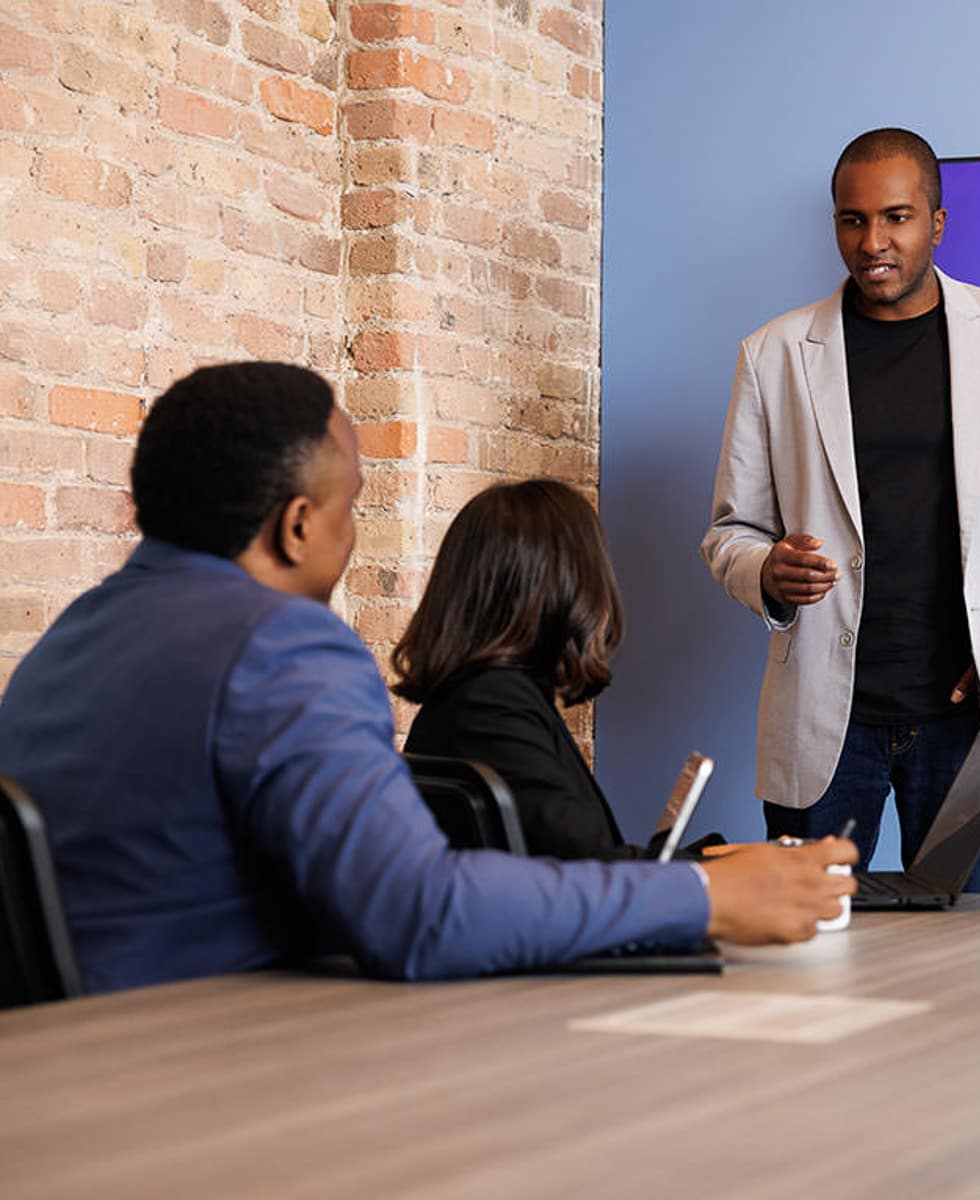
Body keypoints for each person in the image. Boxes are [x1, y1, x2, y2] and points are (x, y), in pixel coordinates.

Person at [0, 362, 857, 995]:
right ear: (298, 527)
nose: (353, 534)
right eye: (353, 506)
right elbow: (420, 912)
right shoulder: (283, 648)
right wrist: (700, 894)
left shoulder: (72, 638)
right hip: (191, 1073)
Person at [700, 128, 980, 893]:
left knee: (972, 960)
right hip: (820, 727)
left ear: (936, 220)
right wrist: (765, 570)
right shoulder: (773, 353)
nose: (873, 242)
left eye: (896, 217)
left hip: (969, 723)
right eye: (852, 220)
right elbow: (730, 532)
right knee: (810, 963)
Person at [398, 478, 722, 860]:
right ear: (559, 587)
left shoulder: (475, 699)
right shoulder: (492, 710)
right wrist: (722, 873)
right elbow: (592, 875)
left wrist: (718, 861)